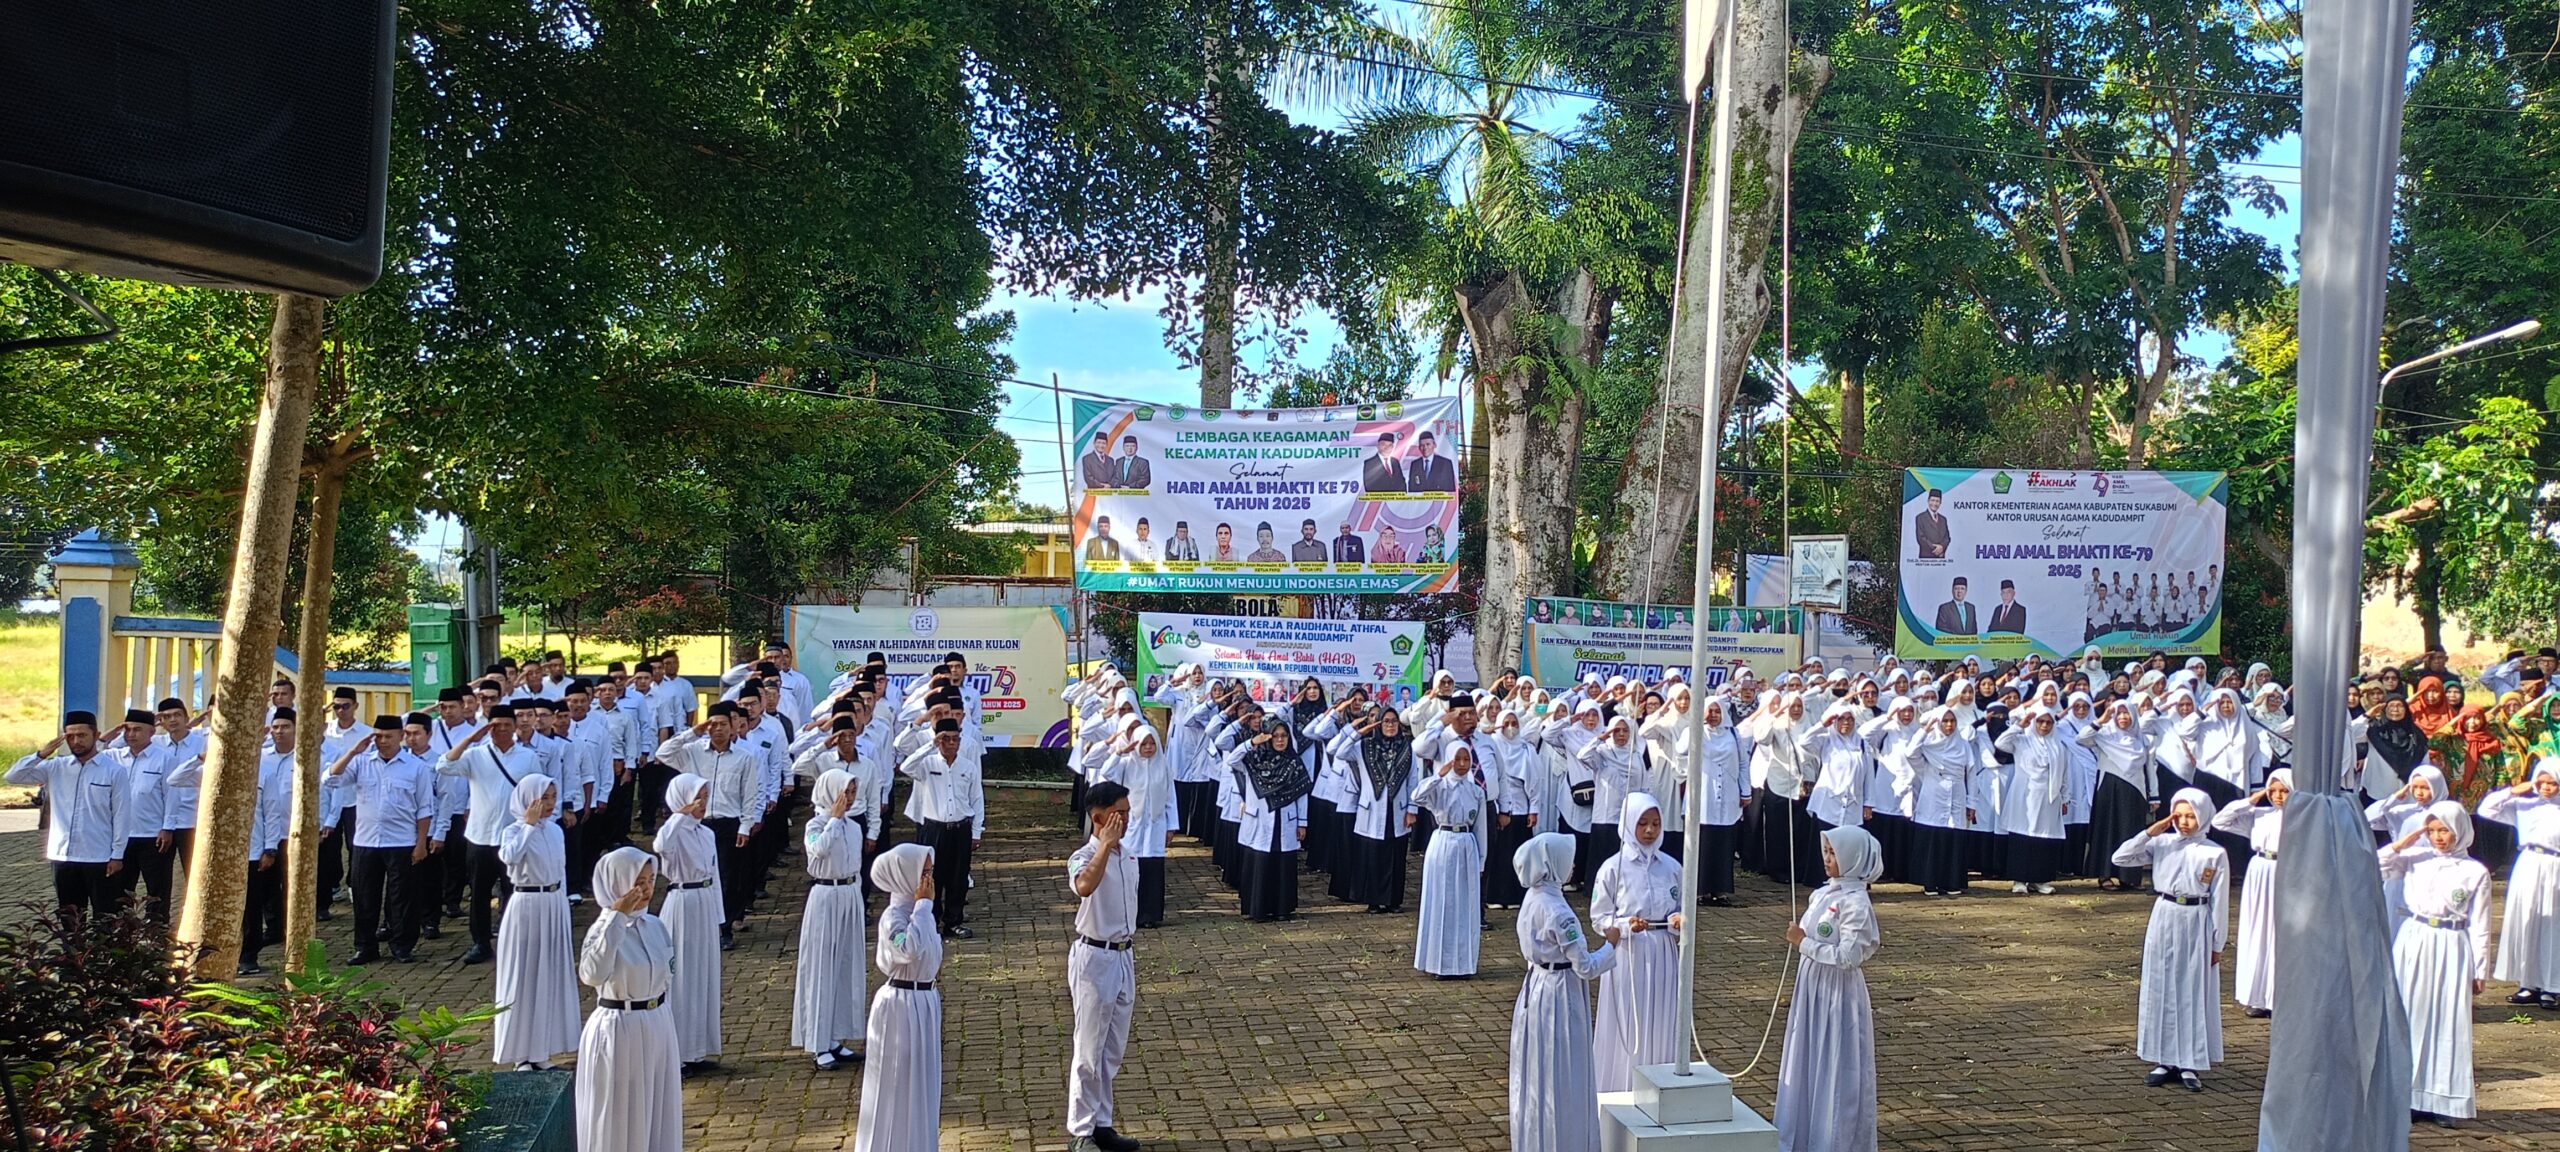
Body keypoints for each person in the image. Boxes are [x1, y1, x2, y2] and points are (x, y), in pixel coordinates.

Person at [1773, 825, 1884, 1152]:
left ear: (1853, 857)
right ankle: (1802, 1131)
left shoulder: (1856, 903)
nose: (1827, 859)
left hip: (1837, 992)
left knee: (1836, 1060)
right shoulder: (1824, 893)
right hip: (1812, 988)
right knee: (1807, 1052)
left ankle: (1833, 1138)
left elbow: (1849, 956)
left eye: (1834, 853)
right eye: (1826, 851)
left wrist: (1804, 944)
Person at [2110, 788, 2228, 1092]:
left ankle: (2190, 1060)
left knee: (2191, 988)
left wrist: (2218, 943)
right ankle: (2163, 1058)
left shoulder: (2213, 852)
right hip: (2164, 914)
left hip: (2196, 919)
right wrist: (2151, 831)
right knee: (2162, 984)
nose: (2185, 822)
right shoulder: (2161, 844)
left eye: (2191, 816)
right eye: (2180, 815)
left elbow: (2220, 901)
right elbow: (2121, 856)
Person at [2383, 801, 2492, 1127]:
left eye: (2444, 830)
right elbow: (2373, 864)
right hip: (2415, 939)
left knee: (2446, 1019)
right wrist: (2407, 839)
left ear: (2459, 830)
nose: (2438, 837)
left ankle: (2444, 1098)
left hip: (2451, 944)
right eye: (2432, 830)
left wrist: (2480, 967)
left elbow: (2480, 922)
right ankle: (2410, 1095)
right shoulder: (2415, 859)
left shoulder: (2475, 872)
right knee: (2411, 1017)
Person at [1508, 833, 1614, 1152]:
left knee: (1537, 1068)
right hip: (1560, 992)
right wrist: (1612, 946)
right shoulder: (1559, 911)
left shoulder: (1532, 898)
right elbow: (1584, 966)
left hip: (1536, 986)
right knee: (1564, 1068)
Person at [575, 847, 682, 1152]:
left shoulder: (655, 926)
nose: (646, 889)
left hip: (657, 1024)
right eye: (638, 881)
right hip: (619, 1029)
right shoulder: (603, 929)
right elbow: (592, 974)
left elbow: (666, 974)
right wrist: (617, 917)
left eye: (650, 880)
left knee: (656, 1108)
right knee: (617, 1113)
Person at [1061, 781, 1144, 1152]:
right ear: (1099, 818)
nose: (1126, 819)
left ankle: (1102, 1123)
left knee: (1112, 1049)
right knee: (1089, 1047)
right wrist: (1105, 845)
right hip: (1095, 957)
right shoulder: (1084, 855)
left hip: (1124, 955)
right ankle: (1081, 1130)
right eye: (1119, 814)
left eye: (1127, 812)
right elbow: (1084, 887)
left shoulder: (1128, 855)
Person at [322, 715, 435, 963]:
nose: (383, 741)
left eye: (388, 736)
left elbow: (425, 808)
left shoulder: (416, 767)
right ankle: (365, 946)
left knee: (401, 897)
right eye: (378, 736)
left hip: (402, 841)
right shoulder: (361, 762)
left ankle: (402, 945)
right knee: (364, 896)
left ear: (401, 736)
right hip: (365, 842)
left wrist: (420, 843)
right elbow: (329, 779)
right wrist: (353, 751)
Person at [1591, 792, 1682, 1092]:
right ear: (1629, 824)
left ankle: (1659, 1084)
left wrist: (1679, 921)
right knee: (1630, 1021)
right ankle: (1622, 1084)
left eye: (1656, 824)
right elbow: (1599, 917)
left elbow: (1682, 907)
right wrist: (1625, 926)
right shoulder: (1613, 868)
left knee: (1661, 1019)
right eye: (1642, 823)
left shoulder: (1671, 867)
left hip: (1664, 951)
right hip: (1629, 955)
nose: (1649, 831)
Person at [440, 704, 543, 964]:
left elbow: (538, 791)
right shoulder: (475, 754)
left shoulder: (527, 756)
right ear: (488, 726)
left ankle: (513, 940)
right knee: (479, 893)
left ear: (515, 726)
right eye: (496, 725)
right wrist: (469, 739)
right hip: (480, 836)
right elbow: (444, 765)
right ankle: (480, 943)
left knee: (514, 892)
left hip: (513, 836)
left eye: (507, 724)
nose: (502, 730)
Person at [858, 843, 944, 1152]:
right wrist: (922, 908)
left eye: (930, 872)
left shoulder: (925, 912)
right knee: (894, 1085)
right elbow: (907, 949)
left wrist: (924, 909)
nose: (929, 881)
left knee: (920, 1083)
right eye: (923, 873)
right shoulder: (894, 917)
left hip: (924, 1004)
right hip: (899, 1007)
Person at [6, 711, 128, 924]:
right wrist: (41, 754)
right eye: (70, 736)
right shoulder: (55, 767)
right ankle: (73, 957)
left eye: (82, 735)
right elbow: (13, 776)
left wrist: (117, 855)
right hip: (63, 857)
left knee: (105, 918)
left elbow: (121, 815)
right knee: (70, 919)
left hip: (99, 857)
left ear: (96, 734)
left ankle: (103, 957)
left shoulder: (114, 771)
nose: (76, 741)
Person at [492, 774, 580, 1071]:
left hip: (553, 903)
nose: (550, 804)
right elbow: (510, 858)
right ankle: (521, 1054)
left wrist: (564, 908)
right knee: (525, 974)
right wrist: (528, 826)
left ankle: (541, 1049)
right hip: (526, 905)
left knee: (548, 975)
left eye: (553, 797)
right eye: (544, 798)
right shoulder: (513, 831)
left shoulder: (555, 831)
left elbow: (561, 871)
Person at [794, 767, 876, 1070]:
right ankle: (818, 1042)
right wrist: (833, 819)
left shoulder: (853, 827)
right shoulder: (816, 824)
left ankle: (836, 1036)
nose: (850, 798)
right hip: (825, 898)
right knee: (821, 967)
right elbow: (817, 852)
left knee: (844, 965)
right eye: (846, 792)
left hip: (849, 895)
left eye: (854, 792)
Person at [654, 774, 724, 1072]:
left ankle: (697, 1047)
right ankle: (677, 1051)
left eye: (705, 797)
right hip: (682, 901)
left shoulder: (706, 834)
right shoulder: (674, 831)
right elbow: (660, 845)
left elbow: (714, 876)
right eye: (697, 797)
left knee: (702, 972)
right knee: (681, 975)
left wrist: (720, 917)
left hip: (704, 902)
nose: (702, 804)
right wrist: (679, 815)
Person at [2210, 770, 2291, 1018]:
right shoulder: (2259, 816)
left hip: (2286, 871)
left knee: (2280, 932)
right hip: (2259, 871)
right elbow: (2220, 821)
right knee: (2258, 929)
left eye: (2284, 791)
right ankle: (2257, 995)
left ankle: (2280, 995)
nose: (2277, 796)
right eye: (2273, 791)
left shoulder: (2301, 819)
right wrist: (2252, 799)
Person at [2480, 761, 2560, 1009]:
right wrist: (2514, 790)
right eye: (2541, 782)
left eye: (2552, 783)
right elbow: (2487, 809)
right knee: (2526, 921)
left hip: (2555, 865)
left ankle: (2552, 986)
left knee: (2551, 923)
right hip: (2528, 862)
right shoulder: (2523, 805)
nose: (2546, 788)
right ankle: (2528, 983)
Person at [901, 717, 985, 936]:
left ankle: (953, 922)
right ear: (938, 741)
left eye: (955, 739)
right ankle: (930, 922)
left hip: (960, 828)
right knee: (931, 876)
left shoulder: (968, 766)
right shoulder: (926, 764)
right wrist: (930, 745)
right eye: (945, 739)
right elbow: (905, 766)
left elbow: (977, 799)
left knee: (958, 877)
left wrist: (976, 831)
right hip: (933, 829)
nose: (951, 744)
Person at [1412, 745, 1488, 979]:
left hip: (1466, 843)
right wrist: (1438, 775)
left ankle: (1463, 963)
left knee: (1464, 905)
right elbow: (1417, 796)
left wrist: (1481, 861)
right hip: (1443, 841)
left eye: (1467, 759)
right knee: (1443, 901)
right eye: (1458, 759)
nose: (1463, 764)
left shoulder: (1476, 791)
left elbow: (1481, 828)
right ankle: (1439, 962)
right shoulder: (1440, 787)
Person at [1227, 723, 1310, 921]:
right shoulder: (1254, 760)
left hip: (1286, 819)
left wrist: (1302, 822)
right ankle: (1258, 909)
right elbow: (1232, 759)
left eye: (1284, 736)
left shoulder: (1294, 762)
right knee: (1259, 864)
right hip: (1259, 820)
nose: (1280, 740)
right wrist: (1252, 743)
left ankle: (1282, 909)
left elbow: (1301, 794)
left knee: (1282, 865)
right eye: (1275, 736)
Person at [1098, 724, 1175, 928]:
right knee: (1131, 869)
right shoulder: (1126, 764)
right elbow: (1106, 773)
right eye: (1144, 744)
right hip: (1133, 825)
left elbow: (1170, 797)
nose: (1149, 748)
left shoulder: (1163, 765)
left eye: (1152, 744)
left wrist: (1171, 826)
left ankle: (1149, 915)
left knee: (1152, 870)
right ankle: (1128, 913)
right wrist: (1119, 752)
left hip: (1156, 825)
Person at [1912, 489, 1951, 559]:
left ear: (1940, 503)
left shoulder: (1943, 519)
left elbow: (1947, 538)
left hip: (1941, 559)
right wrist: (1936, 549)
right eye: (1932, 500)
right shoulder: (1920, 518)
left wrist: (1942, 547)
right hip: (1926, 559)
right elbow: (1921, 538)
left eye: (1937, 501)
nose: (1934, 504)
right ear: (1928, 501)